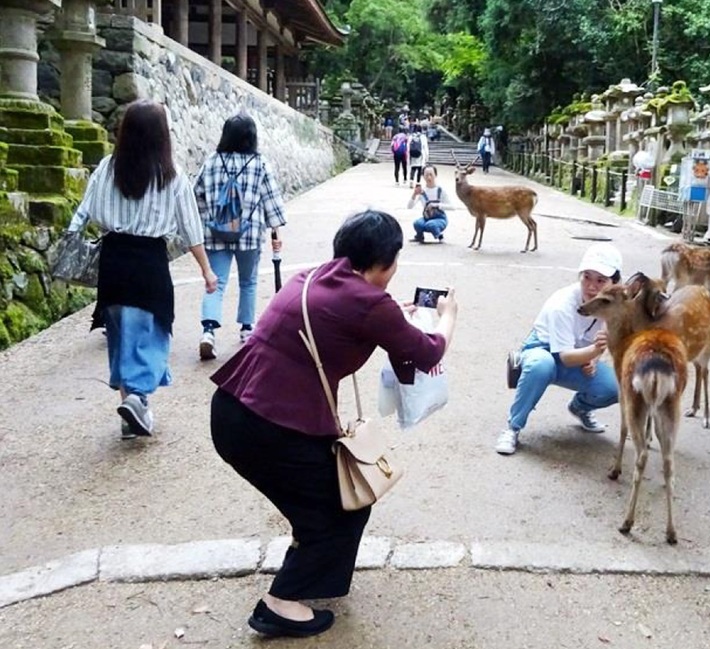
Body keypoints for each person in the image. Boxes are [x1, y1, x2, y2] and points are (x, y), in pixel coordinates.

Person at [210, 210, 458, 638]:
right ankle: (280, 603)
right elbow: (429, 352)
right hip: (272, 427)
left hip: (232, 410)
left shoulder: (306, 278)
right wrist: (449, 315)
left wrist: (390, 314)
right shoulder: (371, 304)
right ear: (385, 263)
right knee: (344, 507)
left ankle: (307, 553)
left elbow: (339, 318)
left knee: (316, 498)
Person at [67, 99, 218, 440]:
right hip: (148, 264)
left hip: (113, 262)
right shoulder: (172, 176)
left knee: (121, 337)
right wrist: (207, 271)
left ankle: (131, 414)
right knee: (151, 337)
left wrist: (69, 245)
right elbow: (191, 229)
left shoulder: (107, 167)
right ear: (162, 136)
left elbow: (83, 212)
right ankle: (137, 397)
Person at [495, 243, 623, 455]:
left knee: (616, 387)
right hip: (545, 350)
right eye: (587, 277)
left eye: (601, 280)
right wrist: (592, 353)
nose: (591, 286)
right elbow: (565, 357)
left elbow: (602, 337)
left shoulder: (615, 305)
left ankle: (581, 407)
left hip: (579, 354)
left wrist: (593, 358)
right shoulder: (562, 303)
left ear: (615, 282)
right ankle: (512, 428)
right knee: (540, 366)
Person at [194, 113, 286, 360]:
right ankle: (247, 330)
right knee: (248, 282)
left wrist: (209, 218)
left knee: (216, 282)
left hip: (217, 233)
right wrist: (275, 230)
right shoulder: (259, 164)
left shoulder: (212, 162)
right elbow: (271, 202)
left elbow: (197, 194)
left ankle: (208, 332)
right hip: (250, 233)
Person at [407, 164, 451, 244]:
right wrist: (414, 194)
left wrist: (437, 205)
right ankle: (419, 236)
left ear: (435, 175)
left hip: (440, 219)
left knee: (431, 224)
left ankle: (439, 236)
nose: (429, 177)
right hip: (427, 218)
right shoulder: (422, 192)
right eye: (426, 175)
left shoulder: (441, 191)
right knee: (417, 223)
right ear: (423, 176)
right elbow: (409, 207)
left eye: (431, 174)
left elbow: (452, 207)